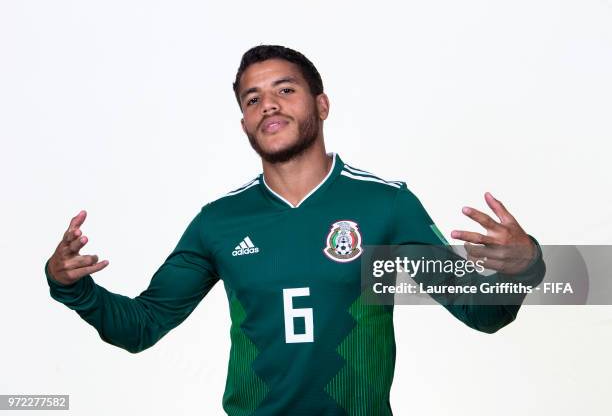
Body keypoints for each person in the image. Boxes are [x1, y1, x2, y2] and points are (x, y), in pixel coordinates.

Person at [45, 44, 545, 415]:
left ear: (321, 105)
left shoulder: (385, 206)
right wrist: (74, 288)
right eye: (252, 99)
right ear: (243, 123)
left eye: (285, 90)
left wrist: (527, 264)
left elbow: (485, 314)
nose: (269, 105)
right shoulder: (219, 222)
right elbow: (140, 327)